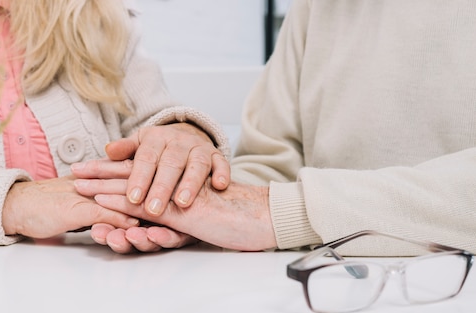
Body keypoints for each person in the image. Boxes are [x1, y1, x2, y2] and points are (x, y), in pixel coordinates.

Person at [72, 0, 476, 255]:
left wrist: (277, 213)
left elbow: (269, 206)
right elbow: (269, 163)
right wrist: (189, 207)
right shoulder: (318, 7)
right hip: (319, 293)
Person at [0, 0, 231, 245]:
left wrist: (180, 140)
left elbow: (153, 117)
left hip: (111, 289)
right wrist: (10, 204)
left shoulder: (96, 13)